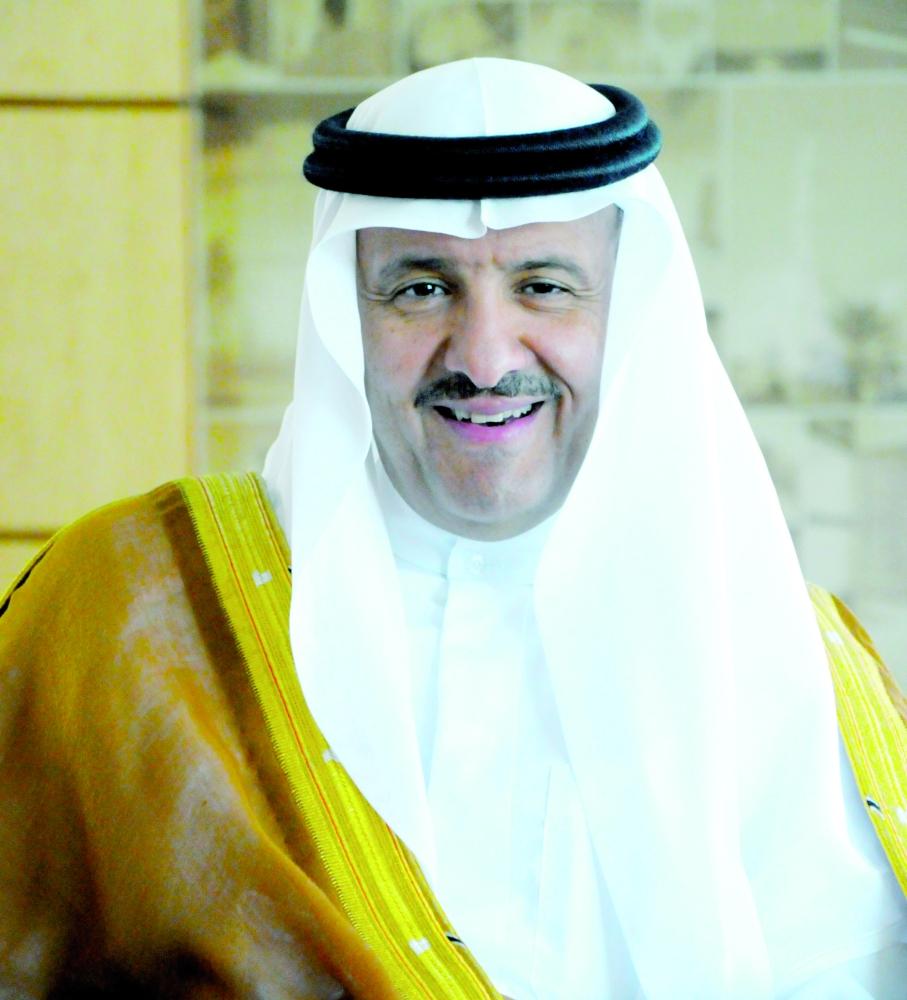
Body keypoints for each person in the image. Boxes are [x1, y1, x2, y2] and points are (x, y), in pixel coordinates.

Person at [0, 58, 905, 999]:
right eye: (421, 288)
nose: (482, 357)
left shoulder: (792, 663)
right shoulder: (129, 614)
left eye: (544, 286)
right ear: (342, 310)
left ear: (630, 312)